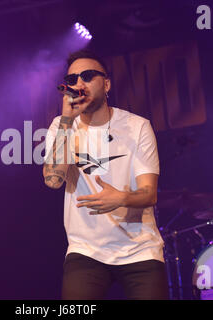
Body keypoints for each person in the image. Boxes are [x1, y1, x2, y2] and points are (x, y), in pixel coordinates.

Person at [43, 49, 168, 300]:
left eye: (88, 76)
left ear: (107, 83)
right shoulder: (61, 125)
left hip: (139, 249)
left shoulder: (136, 126)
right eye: (72, 79)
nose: (79, 84)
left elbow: (149, 193)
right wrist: (67, 119)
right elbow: (53, 180)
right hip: (86, 250)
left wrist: (120, 198)